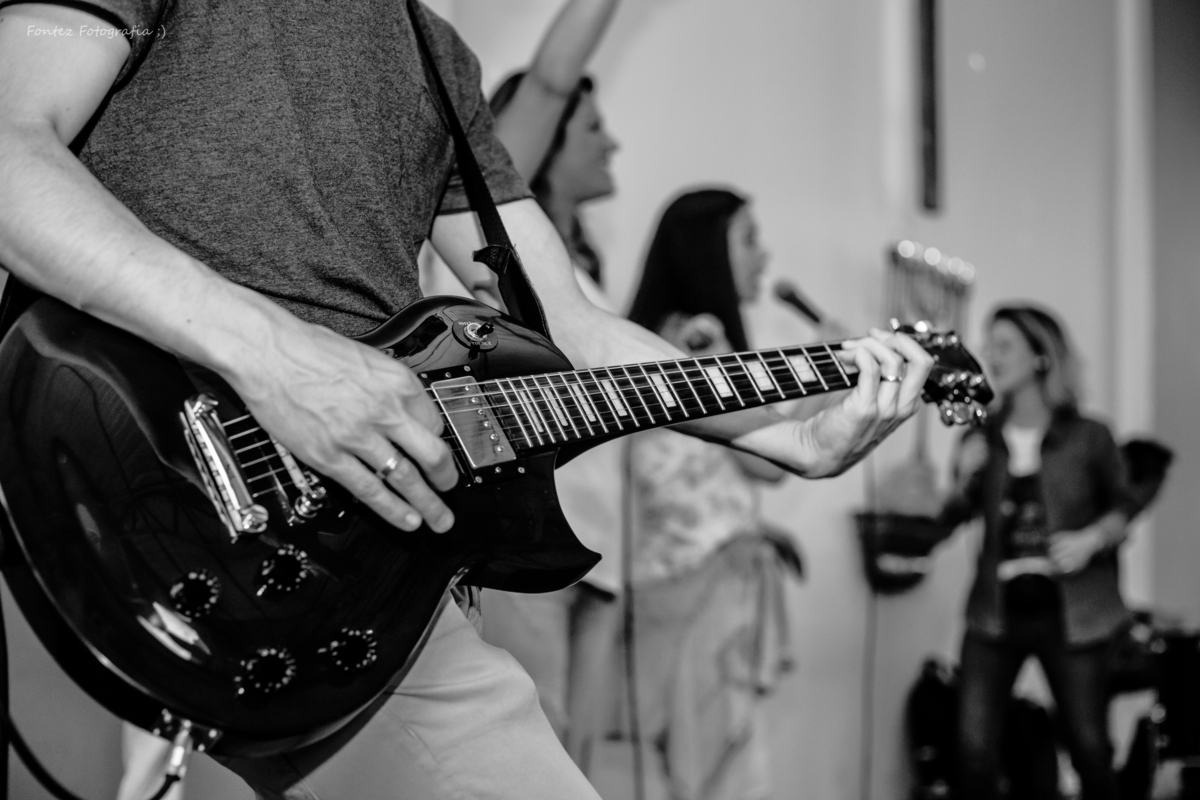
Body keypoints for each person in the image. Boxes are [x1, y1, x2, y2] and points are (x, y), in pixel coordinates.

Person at [0, 3, 933, 798]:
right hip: (116, 481)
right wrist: (275, 357)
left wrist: (791, 437)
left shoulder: (433, 53)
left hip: (373, 561)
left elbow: (572, 324)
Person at [620, 188, 805, 800]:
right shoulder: (697, 341)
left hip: (683, 583)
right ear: (707, 251)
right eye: (748, 238)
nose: (763, 254)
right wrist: (840, 381)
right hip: (692, 589)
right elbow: (769, 461)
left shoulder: (656, 338)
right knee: (715, 772)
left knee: (701, 768)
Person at [477, 0, 622, 772]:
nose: (614, 142)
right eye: (594, 127)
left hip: (598, 546)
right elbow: (549, 80)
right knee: (529, 760)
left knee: (580, 763)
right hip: (527, 535)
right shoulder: (484, 242)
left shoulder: (584, 268)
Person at [939, 305, 1137, 800]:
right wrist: (961, 479)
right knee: (972, 750)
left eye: (1004, 345)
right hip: (995, 611)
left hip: (1074, 612)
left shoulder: (1090, 435)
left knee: (1089, 749)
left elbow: (1124, 506)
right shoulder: (979, 435)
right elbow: (949, 520)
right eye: (989, 345)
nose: (991, 356)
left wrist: (1092, 538)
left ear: (1040, 356)